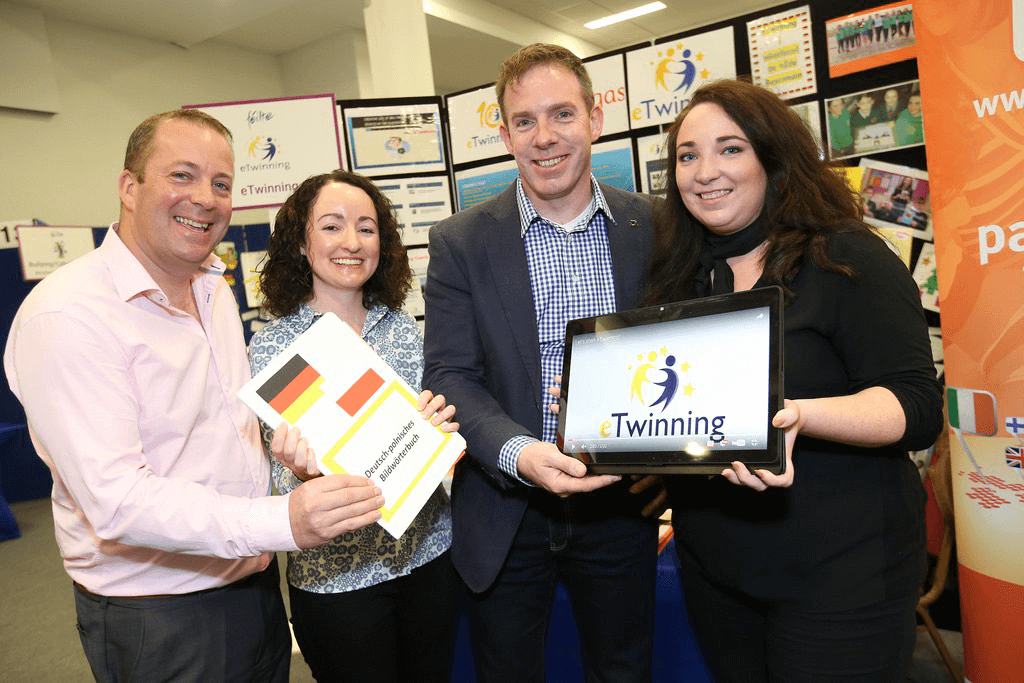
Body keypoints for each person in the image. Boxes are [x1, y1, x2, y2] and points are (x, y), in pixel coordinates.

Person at [3, 110, 388, 682]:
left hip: (252, 585)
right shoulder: (69, 316)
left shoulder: (213, 288)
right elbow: (117, 499)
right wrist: (281, 519)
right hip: (160, 616)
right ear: (130, 188)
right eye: (181, 176)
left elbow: (219, 434)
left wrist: (288, 464)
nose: (204, 198)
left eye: (221, 183)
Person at [645, 79, 942, 682]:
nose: (705, 172)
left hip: (843, 573)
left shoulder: (845, 255)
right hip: (718, 573)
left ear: (773, 159)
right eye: (687, 155)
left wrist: (798, 413)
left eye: (731, 149)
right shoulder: (680, 276)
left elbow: (915, 406)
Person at [423, 43, 661, 683]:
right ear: (504, 134)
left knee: (623, 671)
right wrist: (519, 452)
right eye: (524, 121)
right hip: (505, 510)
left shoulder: (656, 226)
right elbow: (448, 376)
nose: (544, 137)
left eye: (562, 114)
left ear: (595, 119)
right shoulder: (459, 242)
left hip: (621, 507)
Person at [248, 169, 460, 683]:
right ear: (301, 243)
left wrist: (442, 433)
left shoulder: (402, 327)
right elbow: (277, 487)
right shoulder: (274, 349)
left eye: (367, 228)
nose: (351, 242)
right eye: (332, 226)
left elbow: (428, 449)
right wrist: (300, 475)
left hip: (430, 557)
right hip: (339, 582)